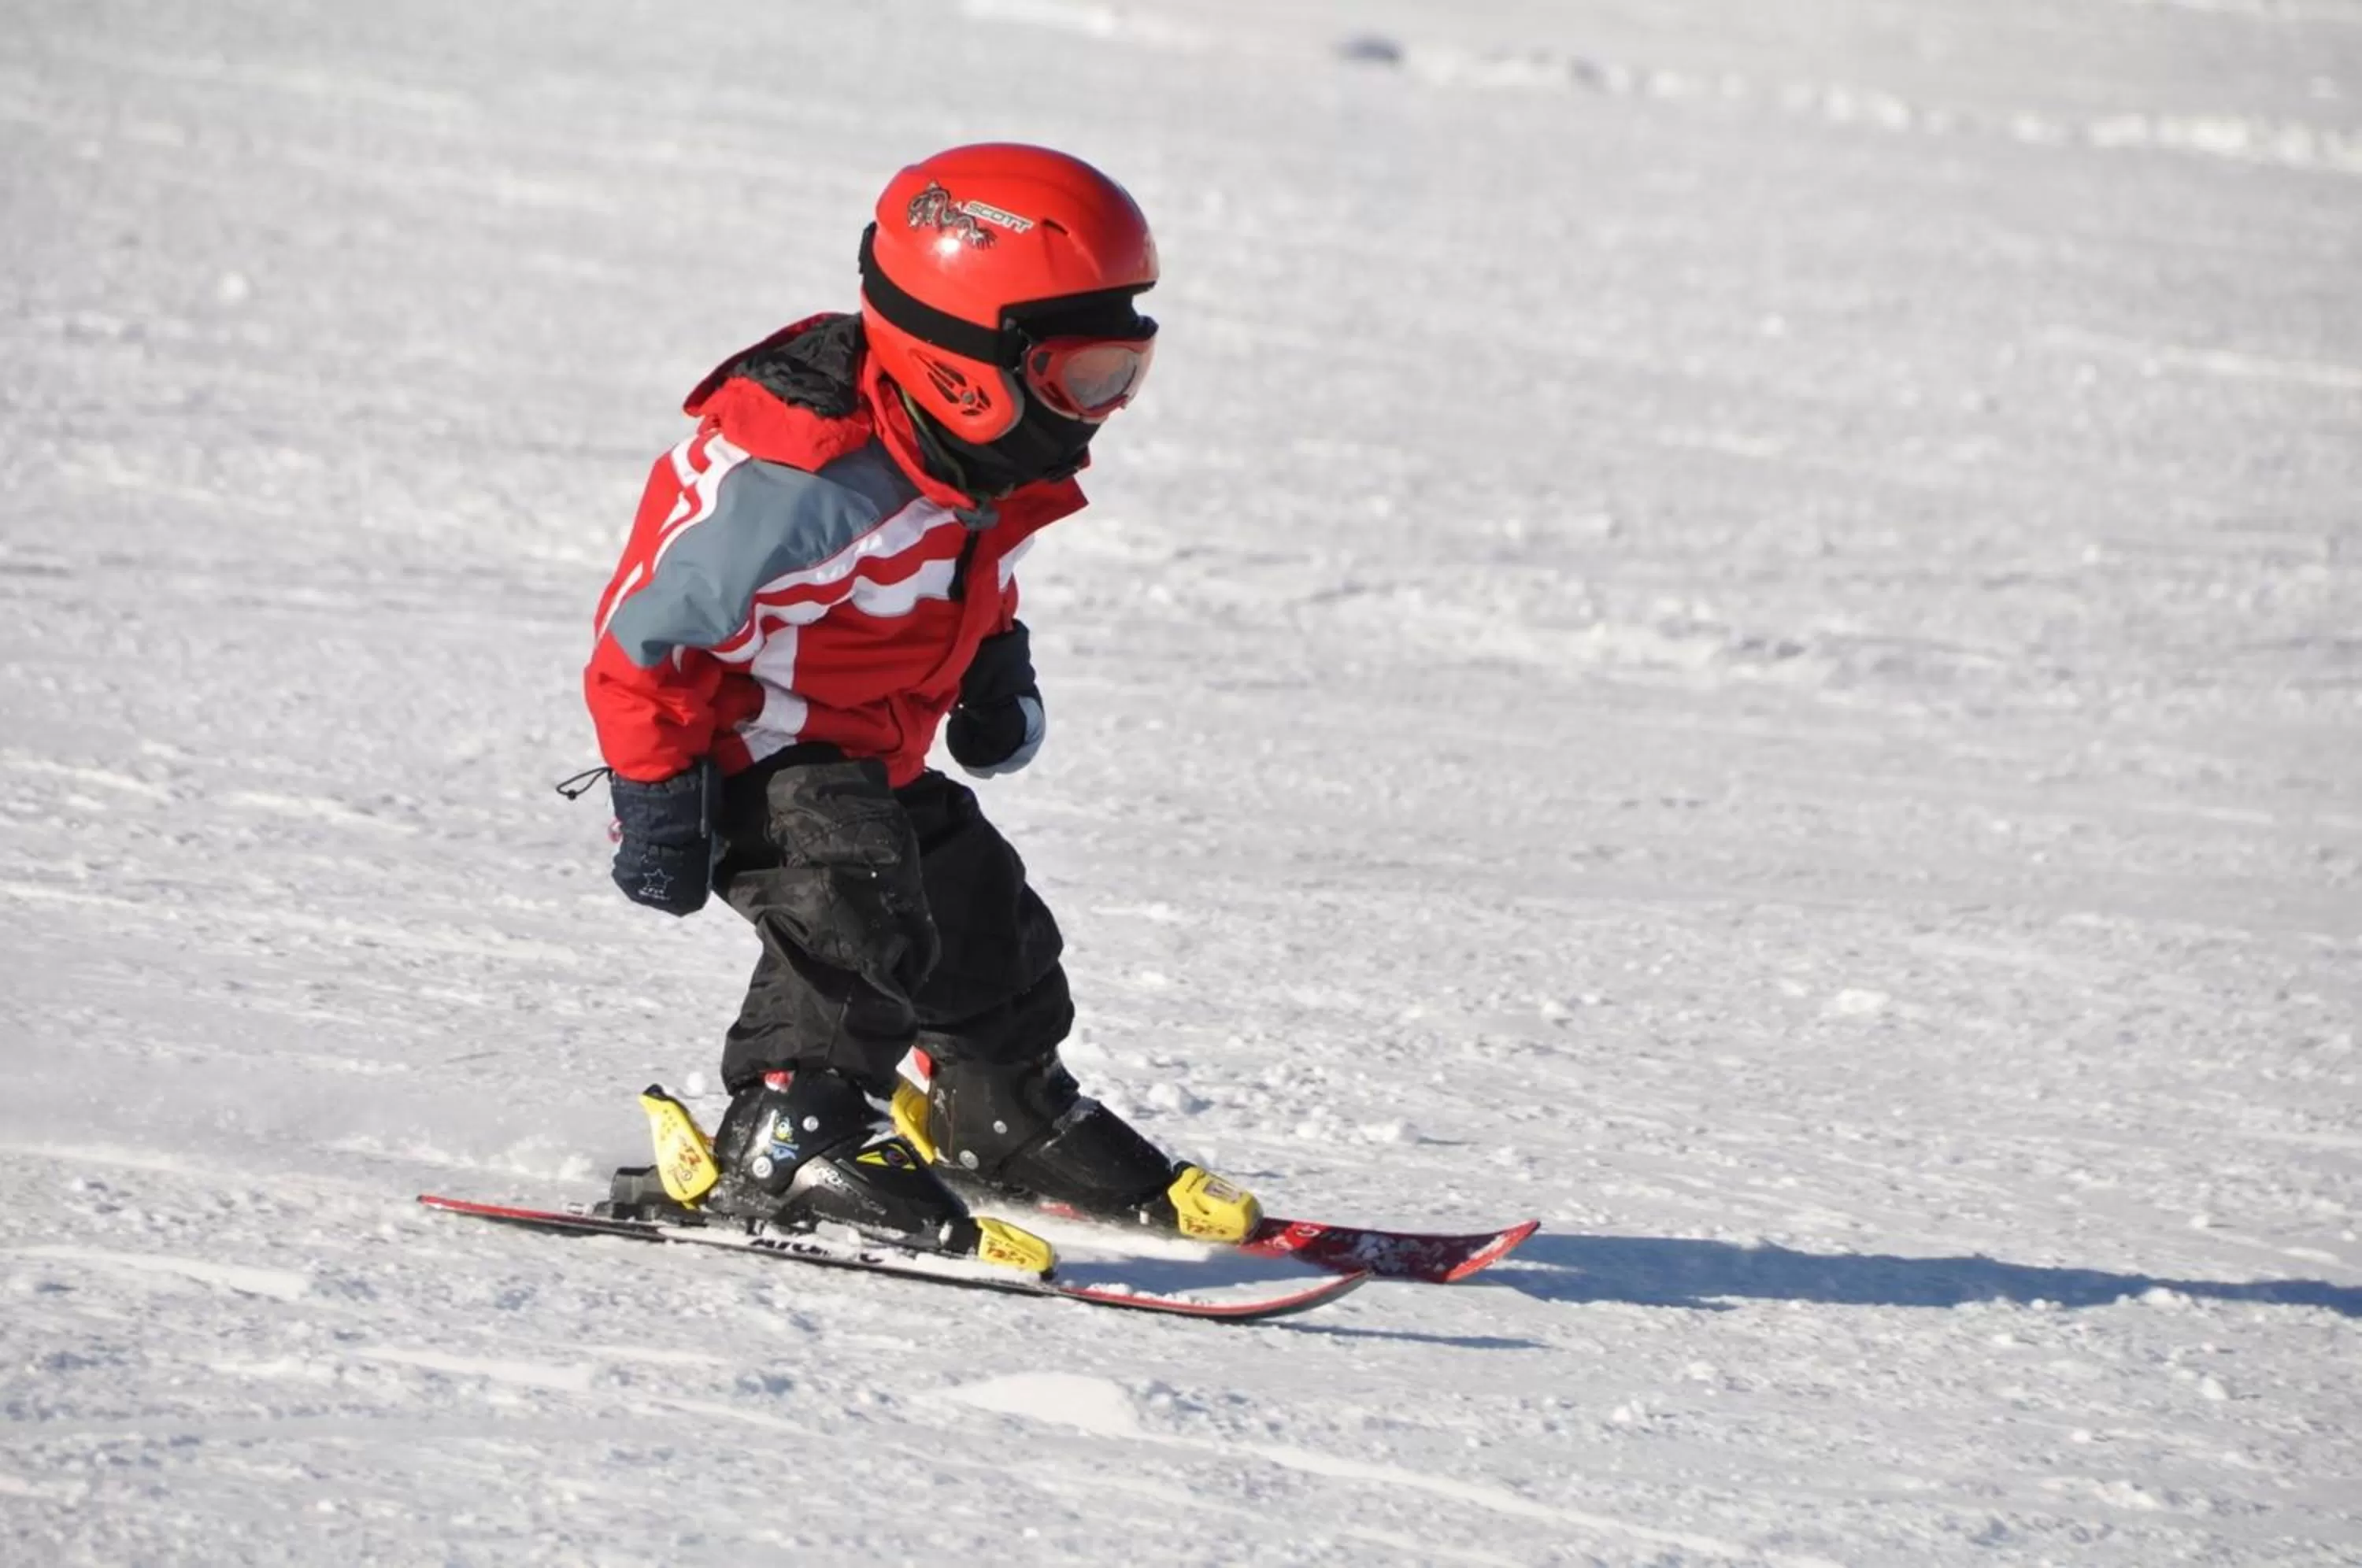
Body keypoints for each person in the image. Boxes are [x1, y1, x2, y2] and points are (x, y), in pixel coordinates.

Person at [581, 144, 1259, 1271]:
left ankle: (998, 1111)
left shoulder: (962, 455)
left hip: (865, 750)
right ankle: (789, 1131)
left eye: (1122, 374)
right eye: (1085, 376)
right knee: (851, 891)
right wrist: (656, 797)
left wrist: (998, 672)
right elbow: (644, 640)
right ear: (967, 367)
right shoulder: (795, 484)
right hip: (742, 752)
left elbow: (964, 574)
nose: (1105, 409)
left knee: (978, 902)